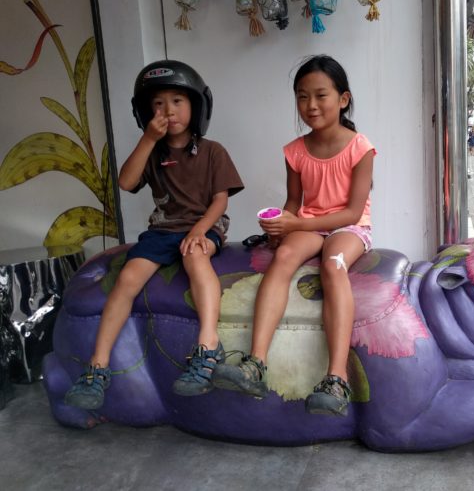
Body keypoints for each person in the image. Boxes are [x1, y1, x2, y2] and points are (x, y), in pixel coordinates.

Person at [64, 60, 244, 409]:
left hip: (204, 226)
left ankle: (208, 344)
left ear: (196, 105)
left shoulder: (212, 151)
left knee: (195, 257)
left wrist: (199, 230)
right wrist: (148, 138)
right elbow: (126, 182)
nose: (168, 110)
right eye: (159, 103)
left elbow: (220, 200)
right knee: (128, 278)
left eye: (177, 101)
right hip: (162, 231)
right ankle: (96, 367)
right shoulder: (153, 151)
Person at [212, 55, 376, 416]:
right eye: (302, 97)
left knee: (333, 265)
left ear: (343, 99)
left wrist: (295, 224)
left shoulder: (360, 147)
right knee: (283, 258)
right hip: (309, 222)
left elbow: (351, 211)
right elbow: (294, 203)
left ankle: (336, 378)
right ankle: (254, 364)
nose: (311, 105)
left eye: (320, 95)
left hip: (349, 227)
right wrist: (278, 226)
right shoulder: (295, 151)